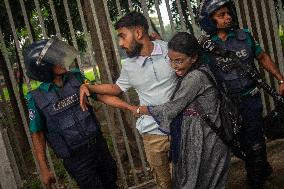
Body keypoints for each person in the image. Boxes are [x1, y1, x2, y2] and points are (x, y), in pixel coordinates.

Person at [80, 11, 176, 189]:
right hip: (152, 134)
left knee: (190, 179)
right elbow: (115, 89)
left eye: (122, 36)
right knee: (165, 184)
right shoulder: (130, 66)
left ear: (138, 33)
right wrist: (89, 87)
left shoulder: (170, 50)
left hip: (182, 128)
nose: (120, 43)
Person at [24, 37, 134, 189]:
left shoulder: (75, 77)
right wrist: (44, 168)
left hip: (98, 145)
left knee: (111, 181)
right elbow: (37, 134)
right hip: (76, 158)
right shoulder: (36, 98)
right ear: (44, 67)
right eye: (54, 59)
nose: (61, 59)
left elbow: (100, 95)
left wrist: (130, 107)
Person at [198, 0, 284, 188]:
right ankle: (262, 167)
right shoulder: (204, 47)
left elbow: (262, 57)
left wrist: (280, 79)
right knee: (236, 144)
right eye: (221, 15)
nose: (228, 17)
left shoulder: (244, 36)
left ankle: (256, 180)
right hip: (226, 105)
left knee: (255, 141)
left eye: (228, 13)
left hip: (250, 99)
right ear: (209, 20)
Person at [134, 32, 230, 189]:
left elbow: (172, 109)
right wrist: (159, 42)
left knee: (199, 182)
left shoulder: (195, 78)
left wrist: (143, 110)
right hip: (202, 139)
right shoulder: (194, 69)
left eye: (179, 61)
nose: (174, 66)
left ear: (193, 58)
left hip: (207, 142)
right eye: (170, 60)